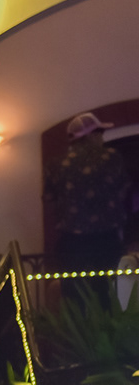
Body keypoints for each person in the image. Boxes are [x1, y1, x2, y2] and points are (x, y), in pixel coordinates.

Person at [47, 112, 132, 303]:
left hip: (71, 241)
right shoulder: (111, 157)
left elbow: (49, 197)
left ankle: (75, 323)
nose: (102, 138)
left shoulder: (55, 164)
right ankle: (104, 323)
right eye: (100, 133)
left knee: (73, 293)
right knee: (106, 292)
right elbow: (124, 189)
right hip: (106, 239)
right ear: (91, 135)